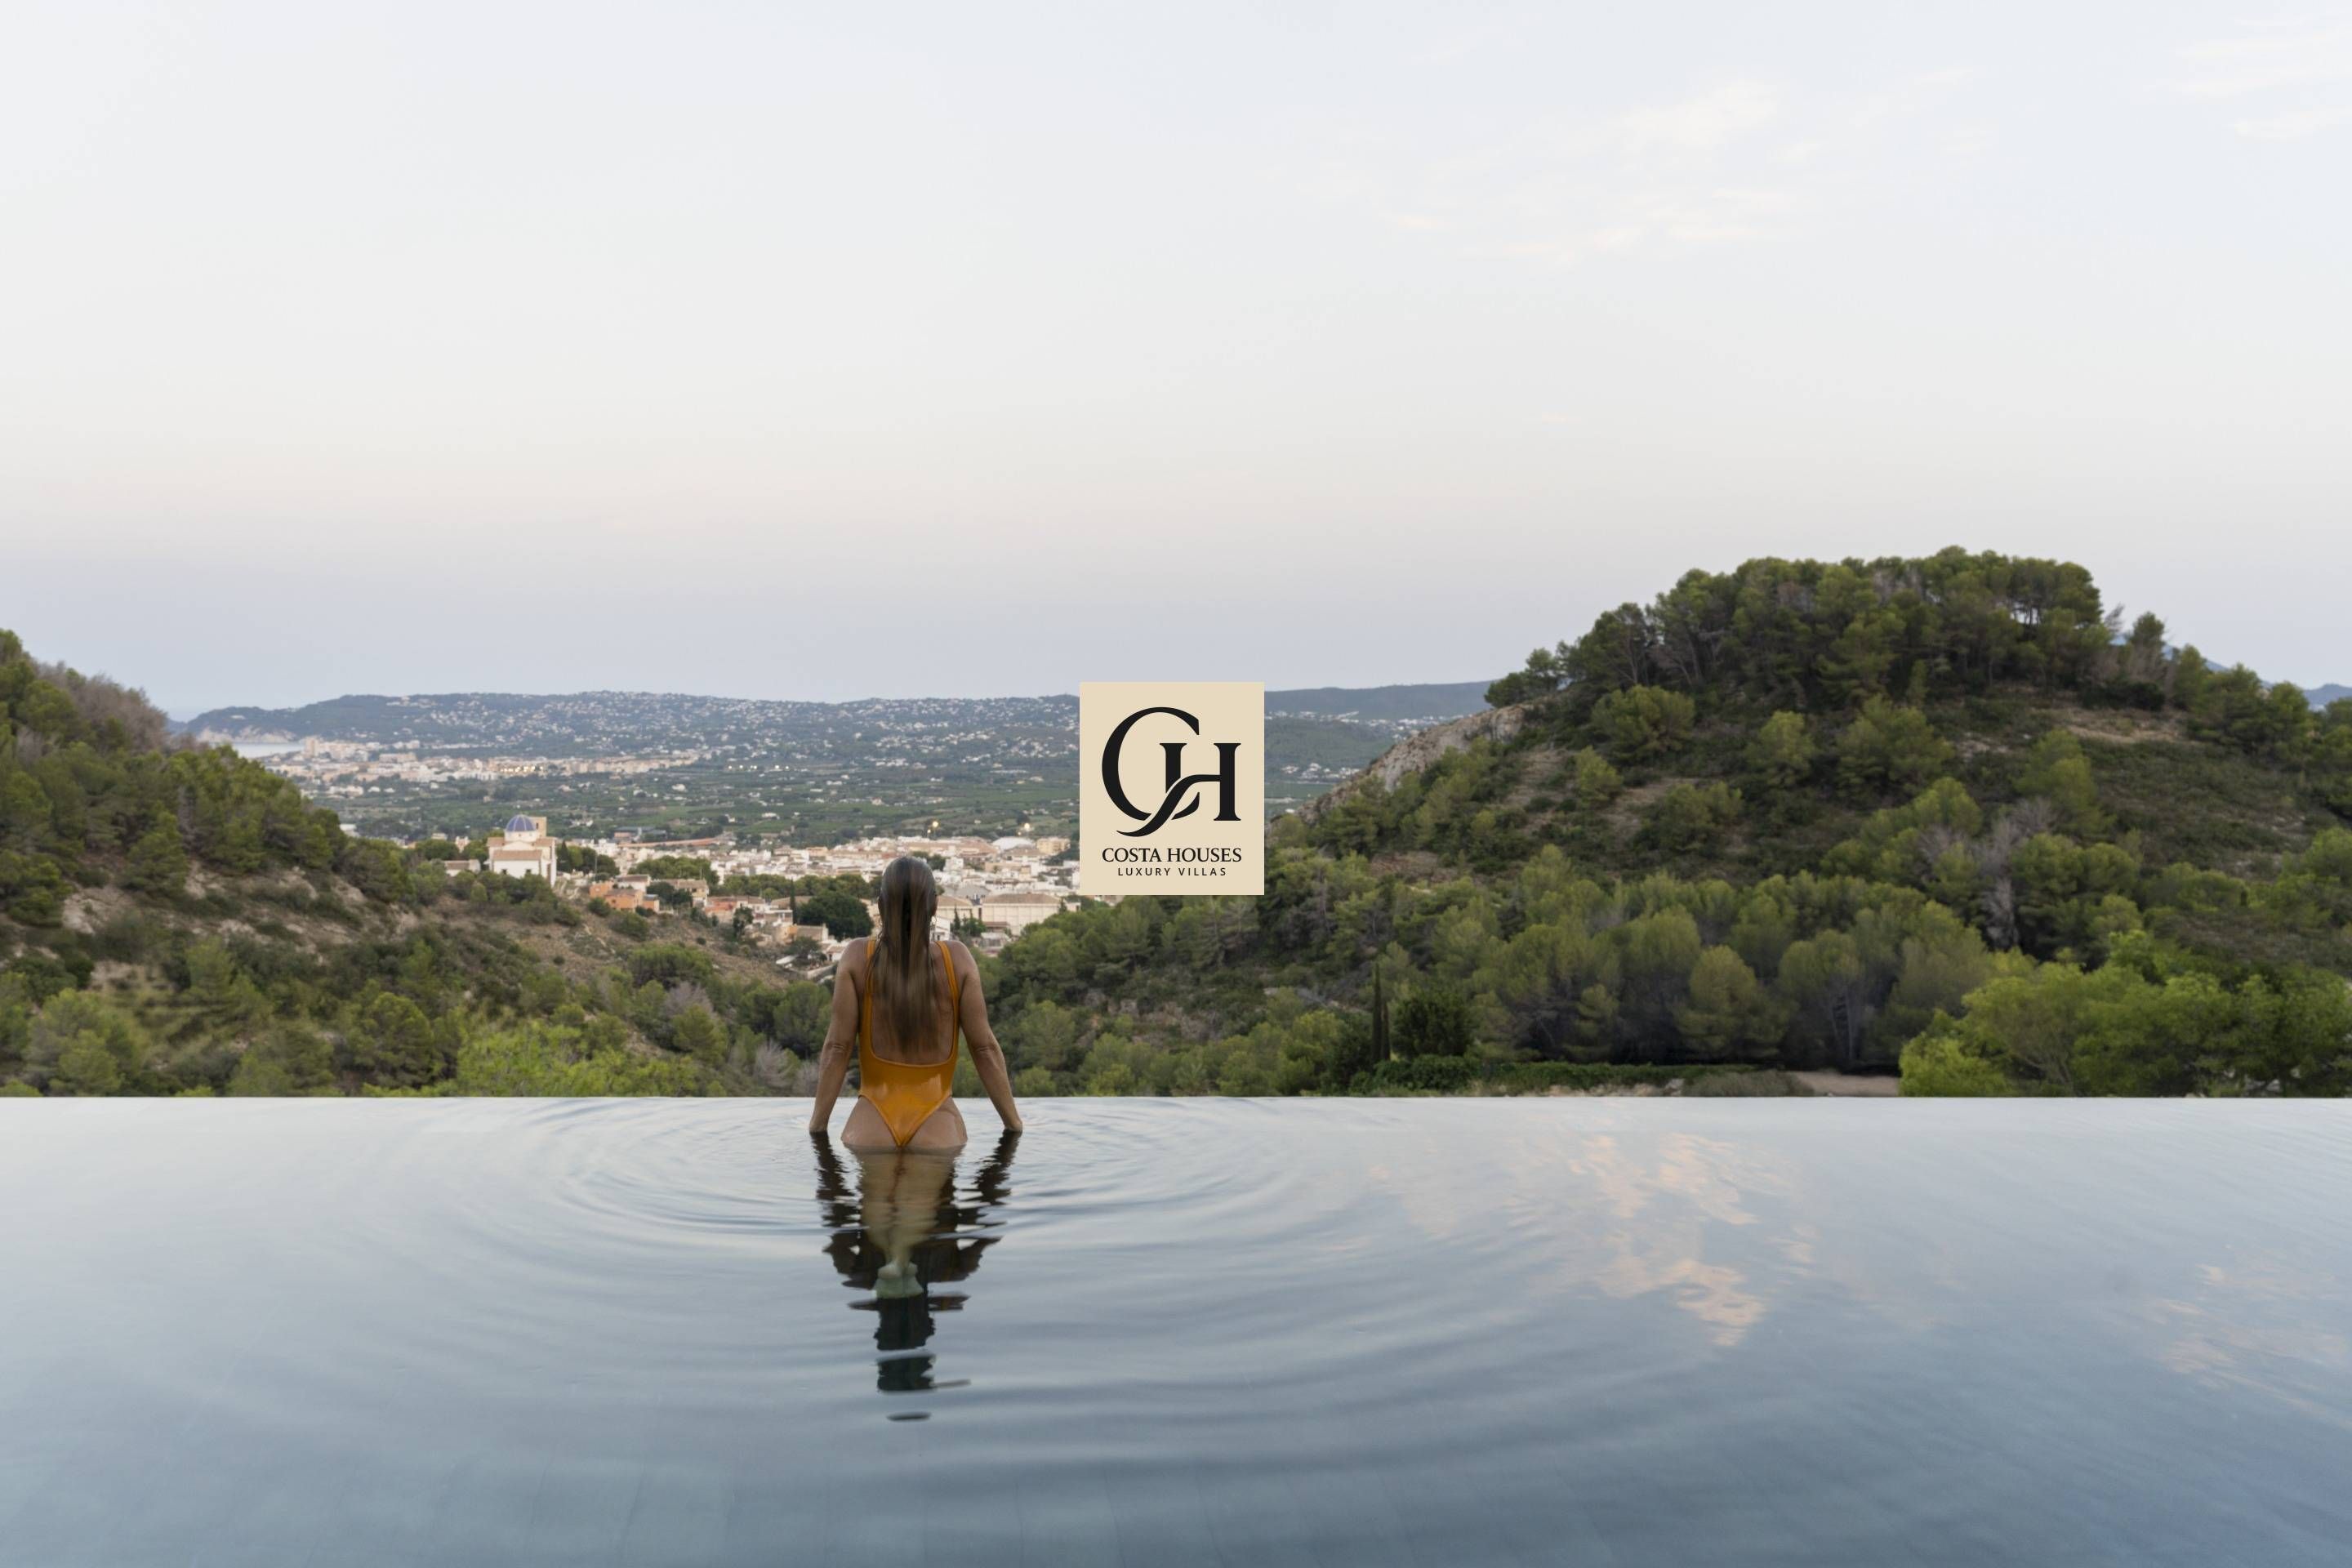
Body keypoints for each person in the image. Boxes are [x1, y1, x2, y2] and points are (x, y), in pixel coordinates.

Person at [808, 855, 1022, 1150]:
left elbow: (837, 1048)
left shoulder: (856, 957)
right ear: (934, 906)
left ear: (881, 906)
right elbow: (983, 1048)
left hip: (870, 1125)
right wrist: (1014, 1125)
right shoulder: (957, 960)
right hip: (938, 1126)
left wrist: (817, 1128)